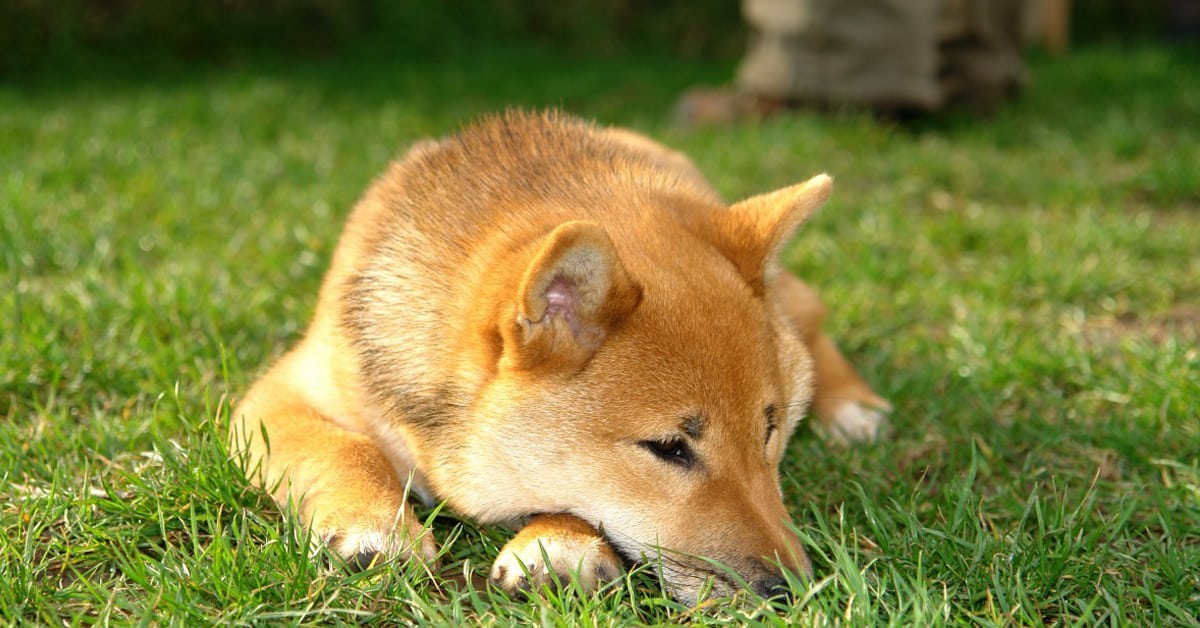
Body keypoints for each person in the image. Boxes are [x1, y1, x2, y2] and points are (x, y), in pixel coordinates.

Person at [676, 0, 1029, 123]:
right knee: (961, 60)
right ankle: (957, 66)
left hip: (836, 74)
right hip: (979, 62)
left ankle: (819, 78)